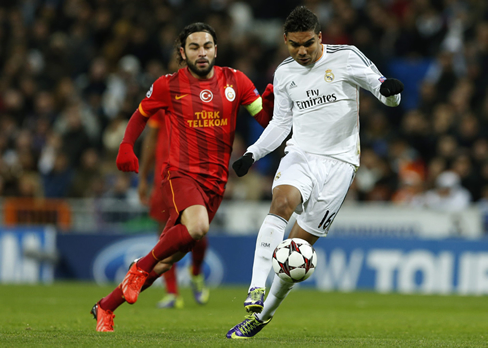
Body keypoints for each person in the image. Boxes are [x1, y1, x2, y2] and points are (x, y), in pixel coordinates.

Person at [226, 6, 403, 339]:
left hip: (340, 165)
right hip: (301, 154)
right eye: (294, 45)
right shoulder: (284, 72)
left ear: (320, 37)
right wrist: (253, 153)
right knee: (281, 202)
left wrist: (392, 94)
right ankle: (254, 287)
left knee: (297, 251)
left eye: (308, 43)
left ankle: (263, 317)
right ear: (285, 41)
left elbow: (382, 88)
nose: (302, 51)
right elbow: (280, 123)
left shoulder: (347, 56)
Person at [90, 22, 274, 332]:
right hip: (180, 174)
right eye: (194, 47)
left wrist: (270, 102)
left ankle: (105, 307)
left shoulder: (236, 81)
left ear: (215, 49)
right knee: (197, 227)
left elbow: (265, 119)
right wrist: (125, 146)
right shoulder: (168, 85)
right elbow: (140, 115)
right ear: (182, 52)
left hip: (216, 183)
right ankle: (139, 268)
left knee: (166, 261)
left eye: (206, 46)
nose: (201, 53)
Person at [138, 109, 209, 309]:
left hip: (193, 175)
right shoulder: (162, 99)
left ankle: (196, 271)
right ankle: (172, 292)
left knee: (197, 232)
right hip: (164, 176)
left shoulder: (201, 99)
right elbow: (151, 139)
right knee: (164, 233)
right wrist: (143, 177)